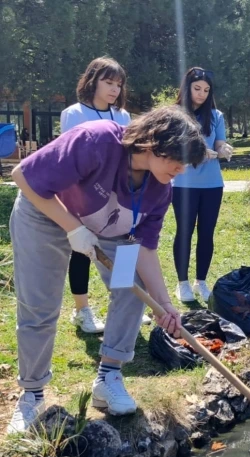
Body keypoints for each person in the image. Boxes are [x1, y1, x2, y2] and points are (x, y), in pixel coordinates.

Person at [7, 106, 207, 433]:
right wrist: (72, 228)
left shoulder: (160, 188)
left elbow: (144, 248)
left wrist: (165, 305)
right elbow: (23, 177)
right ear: (156, 143)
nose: (181, 170)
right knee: (40, 305)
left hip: (109, 229)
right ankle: (32, 394)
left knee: (134, 284)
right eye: (179, 160)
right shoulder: (96, 140)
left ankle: (109, 375)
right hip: (44, 212)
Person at [59, 57, 133, 333]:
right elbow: (69, 157)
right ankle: (82, 311)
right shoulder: (74, 113)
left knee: (126, 247)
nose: (114, 89)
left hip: (117, 196)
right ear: (93, 81)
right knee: (82, 251)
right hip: (83, 196)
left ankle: (126, 305)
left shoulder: (124, 116)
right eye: (108, 82)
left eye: (119, 84)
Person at [171, 67, 233, 303]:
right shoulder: (175, 114)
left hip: (212, 184)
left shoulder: (216, 115)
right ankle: (182, 283)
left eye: (206, 90)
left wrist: (223, 148)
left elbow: (219, 142)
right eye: (197, 88)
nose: (202, 94)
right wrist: (197, 152)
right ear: (186, 88)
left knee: (206, 233)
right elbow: (171, 147)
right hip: (183, 183)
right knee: (184, 232)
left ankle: (201, 281)